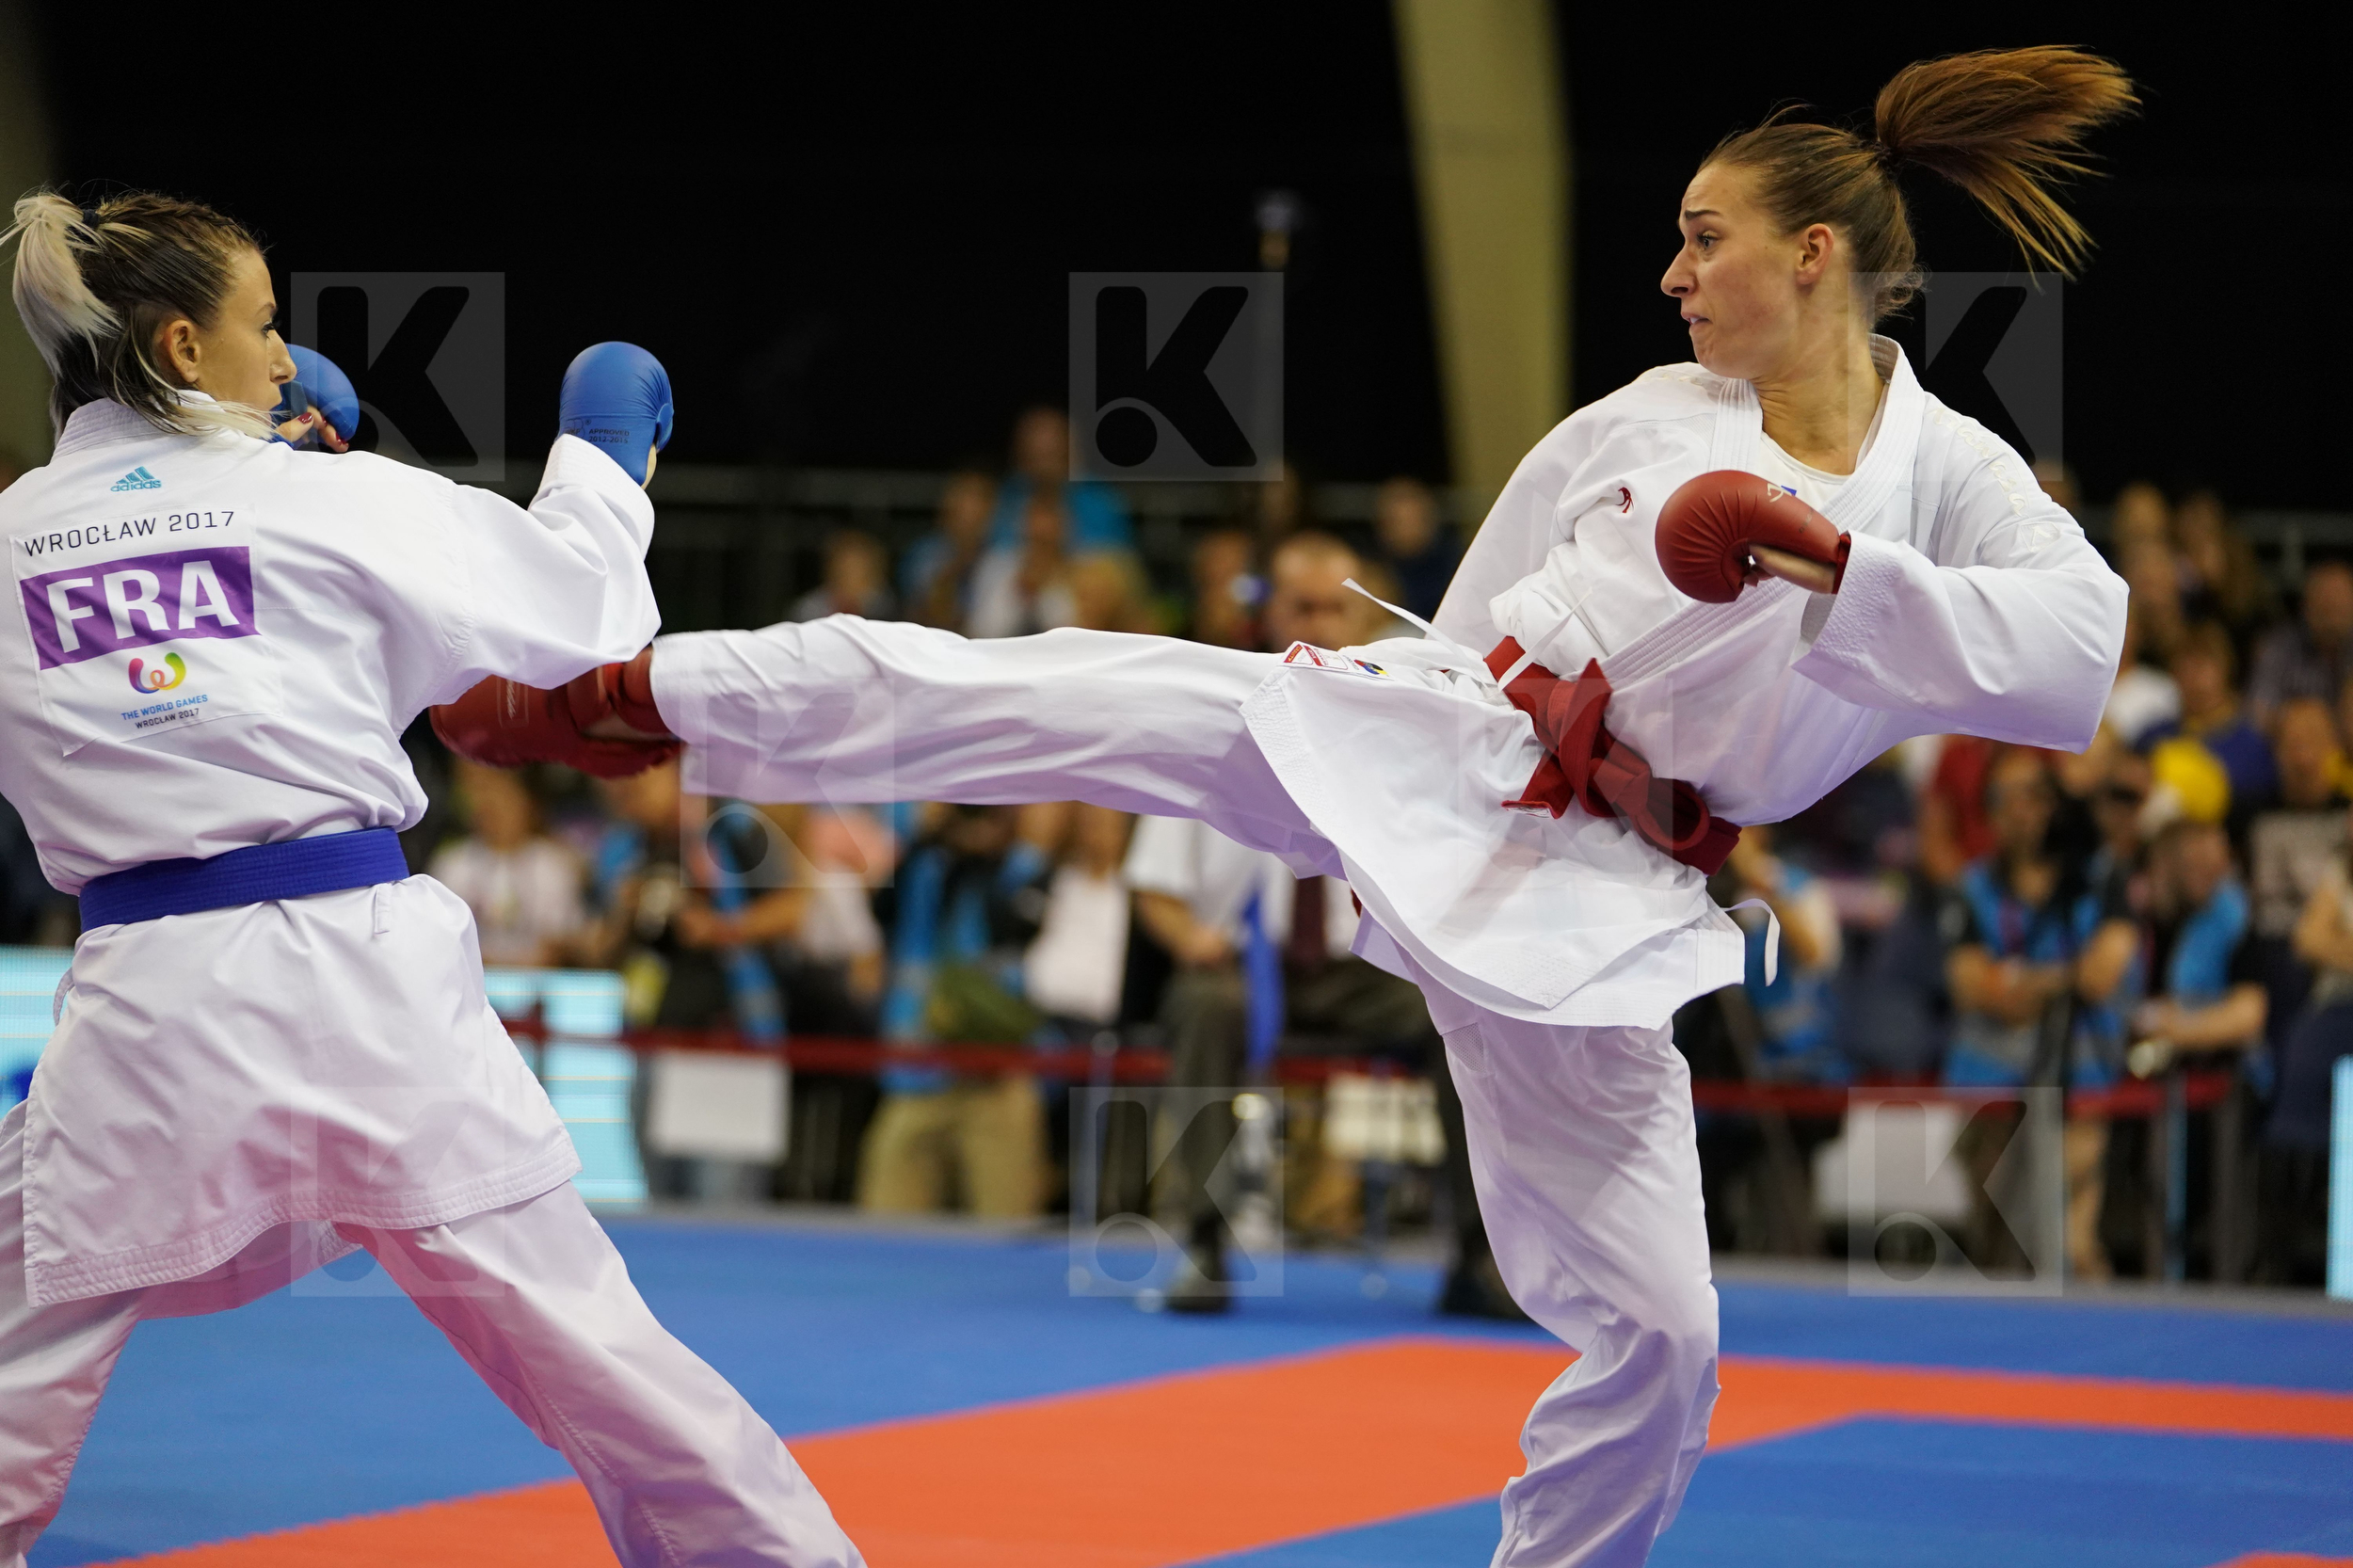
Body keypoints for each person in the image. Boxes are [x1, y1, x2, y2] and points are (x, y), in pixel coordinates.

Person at [440, 48, 2134, 1566]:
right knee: (1057, 686)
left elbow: (2074, 651)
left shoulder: (1951, 473)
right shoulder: (1646, 413)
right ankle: (630, 701)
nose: (1673, 271)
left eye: (1706, 238)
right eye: (1681, 238)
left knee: (1668, 1335)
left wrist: (1836, 560)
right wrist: (1419, 717)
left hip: (1611, 905)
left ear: (1814, 257)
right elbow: (1487, 601)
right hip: (1447, 750)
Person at [0, 193, 860, 1565]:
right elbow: (584, 613)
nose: (284, 361)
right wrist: (603, 448)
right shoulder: (315, 492)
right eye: (263, 327)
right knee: (597, 1356)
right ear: (177, 346)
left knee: (14, 1351)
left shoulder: (12, 538)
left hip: (146, 1006)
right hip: (361, 985)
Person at [1938, 747, 2136, 1278]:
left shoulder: (2098, 876)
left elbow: (2101, 975)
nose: (2024, 810)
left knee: (2067, 1245)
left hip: (2077, 1082)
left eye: (2036, 795)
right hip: (1989, 1088)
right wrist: (2058, 979)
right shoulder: (1974, 886)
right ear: (1990, 812)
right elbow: (1975, 986)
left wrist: (2026, 981)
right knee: (1997, 1253)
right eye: (2007, 798)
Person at [427, 760, 586, 968]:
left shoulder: (554, 865)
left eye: (506, 799)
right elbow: (438, 939)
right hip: (469, 980)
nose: (497, 810)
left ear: (528, 804)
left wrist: (516, 963)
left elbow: (563, 941)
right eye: (489, 800)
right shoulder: (452, 864)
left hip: (537, 983)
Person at [2248, 558, 2353, 731]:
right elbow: (2258, 715)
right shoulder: (2278, 648)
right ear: (2305, 604)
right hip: (2297, 751)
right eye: (2323, 597)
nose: (2332, 604)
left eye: (2339, 596)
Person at [789, 529, 894, 623]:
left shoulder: (887, 611)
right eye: (843, 567)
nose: (850, 574)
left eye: (857, 567)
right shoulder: (809, 609)